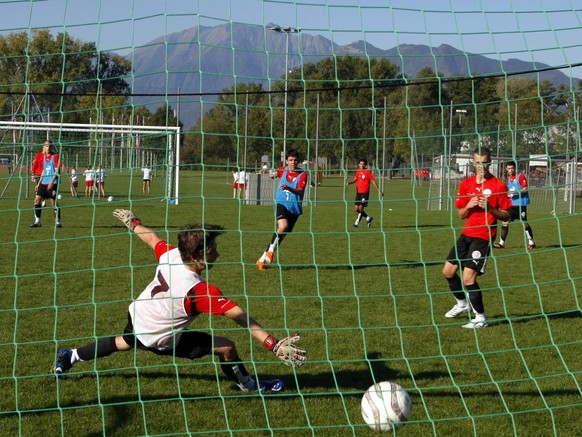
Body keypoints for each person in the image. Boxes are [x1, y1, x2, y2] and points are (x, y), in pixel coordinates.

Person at [52, 210, 307, 392]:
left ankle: (71, 355)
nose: (217, 253)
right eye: (211, 250)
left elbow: (151, 238)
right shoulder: (199, 291)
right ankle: (250, 387)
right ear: (196, 255)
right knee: (227, 347)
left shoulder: (172, 254)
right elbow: (241, 317)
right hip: (161, 338)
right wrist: (272, 344)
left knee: (126, 341)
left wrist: (133, 222)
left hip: (138, 315)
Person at [442, 147, 512, 329]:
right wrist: (469, 205)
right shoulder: (466, 184)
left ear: (490, 162)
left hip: (483, 236)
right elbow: (460, 214)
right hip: (466, 234)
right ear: (473, 163)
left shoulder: (499, 185)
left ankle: (481, 318)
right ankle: (462, 304)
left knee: (468, 278)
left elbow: (507, 216)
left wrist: (491, 209)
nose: (482, 166)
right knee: (448, 272)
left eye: (485, 162)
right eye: (478, 162)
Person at [256, 149, 308, 271]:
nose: (293, 162)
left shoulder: (302, 174)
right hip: (281, 204)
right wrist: (272, 175)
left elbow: (300, 191)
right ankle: (269, 252)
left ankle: (261, 259)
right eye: (290, 160)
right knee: (283, 226)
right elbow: (276, 175)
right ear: (286, 161)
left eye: (295, 160)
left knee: (280, 237)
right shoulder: (282, 169)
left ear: (298, 161)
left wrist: (289, 188)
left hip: (294, 209)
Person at [493, 161, 535, 249]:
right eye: (508, 168)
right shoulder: (509, 178)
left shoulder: (520, 176)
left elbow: (525, 189)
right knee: (505, 221)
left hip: (520, 204)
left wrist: (515, 192)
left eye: (512, 168)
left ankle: (531, 242)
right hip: (511, 205)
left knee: (524, 223)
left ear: (515, 168)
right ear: (506, 169)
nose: (510, 170)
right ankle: (501, 243)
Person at [30, 139, 63, 228]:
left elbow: (57, 170)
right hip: (43, 182)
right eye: (46, 146)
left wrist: (52, 182)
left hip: (52, 183)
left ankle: (58, 221)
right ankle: (37, 221)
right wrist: (38, 183)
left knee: (53, 202)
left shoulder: (55, 156)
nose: (48, 148)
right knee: (37, 200)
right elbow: (44, 171)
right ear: (43, 147)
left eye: (49, 146)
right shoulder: (44, 157)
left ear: (52, 147)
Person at [346, 159, 383, 228]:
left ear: (365, 165)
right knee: (356, 209)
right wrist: (350, 183)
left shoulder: (368, 172)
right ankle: (368, 218)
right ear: (358, 164)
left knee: (360, 208)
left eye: (363, 164)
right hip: (358, 192)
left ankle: (356, 223)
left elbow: (373, 181)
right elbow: (355, 179)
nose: (361, 165)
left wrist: (379, 191)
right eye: (360, 164)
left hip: (365, 192)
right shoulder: (358, 171)